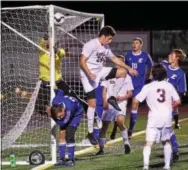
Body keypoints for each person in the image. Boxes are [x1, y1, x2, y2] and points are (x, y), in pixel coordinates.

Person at [80, 26, 138, 144]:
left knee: (122, 72)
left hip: (100, 72)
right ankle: (90, 133)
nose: (110, 41)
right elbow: (82, 61)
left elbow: (115, 59)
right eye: (110, 38)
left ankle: (113, 98)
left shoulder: (105, 46)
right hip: (87, 76)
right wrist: (89, 73)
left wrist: (129, 68)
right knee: (92, 103)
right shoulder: (91, 44)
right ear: (104, 36)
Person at [132, 64, 181, 170]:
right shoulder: (169, 86)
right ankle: (167, 166)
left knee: (148, 143)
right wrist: (169, 106)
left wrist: (135, 111)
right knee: (166, 141)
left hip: (153, 117)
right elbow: (178, 101)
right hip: (166, 117)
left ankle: (145, 166)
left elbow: (135, 100)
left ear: (153, 74)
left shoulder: (148, 86)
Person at [110, 37, 153, 139]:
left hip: (139, 85)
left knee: (134, 104)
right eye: (133, 43)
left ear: (140, 45)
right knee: (117, 106)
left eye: (136, 43)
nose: (134, 45)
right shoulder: (128, 55)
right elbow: (124, 67)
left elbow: (151, 66)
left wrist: (149, 75)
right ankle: (115, 127)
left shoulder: (145, 55)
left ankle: (130, 129)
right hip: (126, 85)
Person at [36, 34, 88, 115]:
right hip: (45, 84)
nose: (50, 43)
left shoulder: (58, 51)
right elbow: (43, 41)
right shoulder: (42, 51)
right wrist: (46, 37)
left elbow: (62, 52)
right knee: (40, 107)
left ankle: (89, 111)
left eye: (53, 42)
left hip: (58, 82)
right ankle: (56, 117)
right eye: (49, 42)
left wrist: (55, 50)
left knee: (74, 97)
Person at [96, 55, 134, 155]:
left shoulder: (127, 77)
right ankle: (101, 149)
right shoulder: (108, 75)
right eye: (117, 62)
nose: (118, 64)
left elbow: (130, 93)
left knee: (120, 122)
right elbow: (104, 90)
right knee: (104, 126)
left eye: (120, 62)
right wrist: (104, 101)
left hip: (120, 103)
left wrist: (120, 98)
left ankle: (126, 143)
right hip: (109, 103)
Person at [160, 48, 187, 161]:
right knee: (162, 132)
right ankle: (173, 150)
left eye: (172, 55)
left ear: (177, 58)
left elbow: (182, 92)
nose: (169, 56)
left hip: (169, 105)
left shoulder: (180, 73)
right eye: (169, 54)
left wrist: (175, 103)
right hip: (158, 103)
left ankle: (174, 150)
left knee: (164, 129)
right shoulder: (163, 65)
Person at [46, 89, 83, 166]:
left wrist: (51, 117)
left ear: (62, 109)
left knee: (69, 134)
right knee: (62, 134)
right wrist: (56, 88)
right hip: (68, 109)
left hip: (76, 113)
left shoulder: (69, 107)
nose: (60, 117)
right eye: (58, 117)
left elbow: (63, 123)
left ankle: (71, 160)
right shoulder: (55, 101)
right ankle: (61, 159)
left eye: (61, 116)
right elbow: (60, 92)